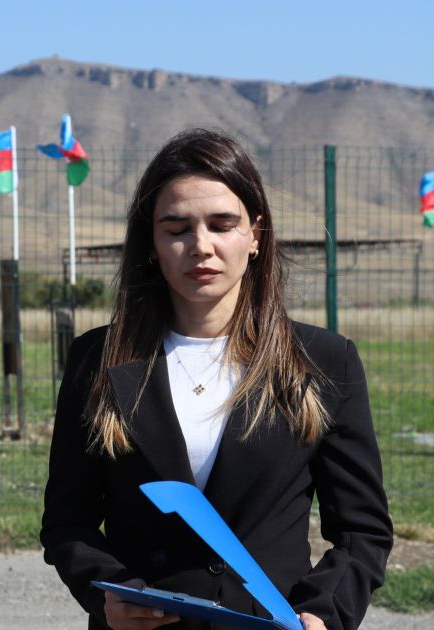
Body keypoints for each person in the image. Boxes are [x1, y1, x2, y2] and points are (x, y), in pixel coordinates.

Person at [40, 128, 392, 630]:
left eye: (222, 224)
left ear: (256, 235)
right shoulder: (97, 359)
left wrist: (321, 613)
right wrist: (109, 595)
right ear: (152, 243)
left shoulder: (324, 361)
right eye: (177, 228)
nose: (200, 246)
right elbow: (67, 523)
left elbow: (362, 531)